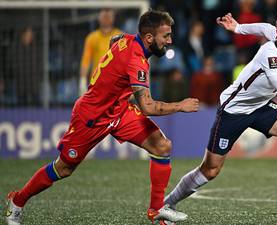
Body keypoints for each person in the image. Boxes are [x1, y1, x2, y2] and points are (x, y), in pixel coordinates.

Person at [5, 10, 199, 225]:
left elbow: (115, 41)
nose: (170, 41)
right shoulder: (137, 61)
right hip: (91, 117)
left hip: (119, 111)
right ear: (149, 38)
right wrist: (180, 105)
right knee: (64, 168)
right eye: (166, 36)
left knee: (162, 146)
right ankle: (17, 201)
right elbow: (147, 107)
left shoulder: (125, 38)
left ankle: (156, 211)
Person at [164, 12, 277, 223]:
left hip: (260, 106)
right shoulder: (270, 54)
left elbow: (262, 27)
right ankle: (168, 203)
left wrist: (238, 27)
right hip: (234, 110)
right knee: (210, 170)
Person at [79, 8, 122, 96]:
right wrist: (82, 81)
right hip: (96, 82)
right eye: (104, 16)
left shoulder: (120, 36)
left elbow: (125, 61)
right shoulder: (91, 38)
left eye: (108, 16)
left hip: (115, 83)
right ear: (99, 18)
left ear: (113, 19)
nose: (106, 19)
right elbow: (86, 61)